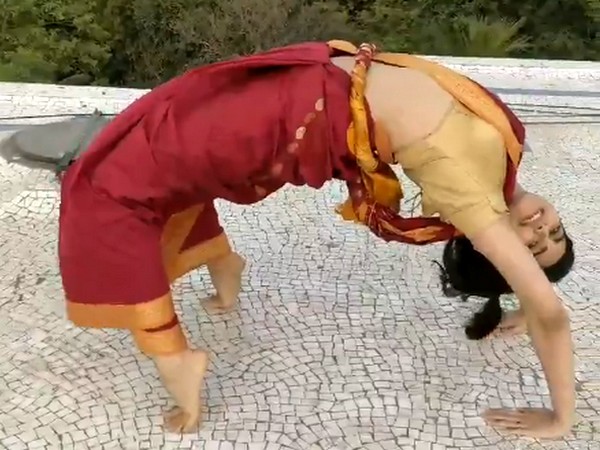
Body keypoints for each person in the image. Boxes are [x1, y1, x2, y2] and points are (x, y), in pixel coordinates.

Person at [0, 41, 576, 438]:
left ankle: (179, 362)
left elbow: (552, 314)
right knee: (158, 140)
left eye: (532, 246)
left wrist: (560, 418)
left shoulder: (471, 199)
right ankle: (221, 264)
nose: (539, 226)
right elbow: (534, 297)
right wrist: (518, 301)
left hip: (278, 118)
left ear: (496, 251)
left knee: (113, 183)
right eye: (554, 230)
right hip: (299, 81)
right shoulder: (506, 153)